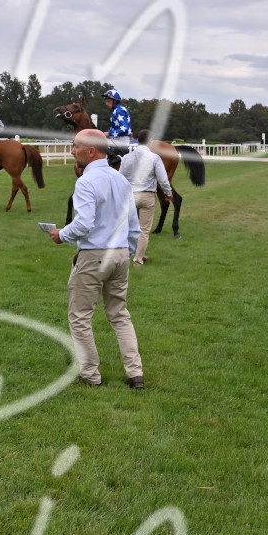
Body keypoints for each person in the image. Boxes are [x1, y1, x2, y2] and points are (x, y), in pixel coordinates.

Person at [48, 129, 144, 389]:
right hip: (120, 254)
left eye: (76, 146)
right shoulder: (121, 180)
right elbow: (134, 226)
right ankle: (135, 374)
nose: (72, 151)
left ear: (91, 151)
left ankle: (90, 375)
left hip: (94, 255)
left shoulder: (86, 181)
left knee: (80, 317)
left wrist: (61, 235)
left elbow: (84, 224)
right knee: (120, 315)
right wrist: (127, 252)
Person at [118, 129, 172, 266]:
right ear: (150, 141)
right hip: (147, 196)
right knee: (144, 230)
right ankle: (138, 259)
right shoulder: (155, 158)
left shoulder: (126, 157)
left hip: (130, 195)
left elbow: (120, 178)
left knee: (129, 228)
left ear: (137, 140)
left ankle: (129, 255)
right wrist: (168, 193)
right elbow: (163, 180)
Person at [103, 88, 132, 165]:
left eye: (108, 101)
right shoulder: (116, 110)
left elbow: (124, 129)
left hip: (121, 144)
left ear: (115, 101)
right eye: (106, 101)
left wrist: (109, 133)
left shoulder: (119, 110)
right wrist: (108, 132)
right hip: (118, 141)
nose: (106, 103)